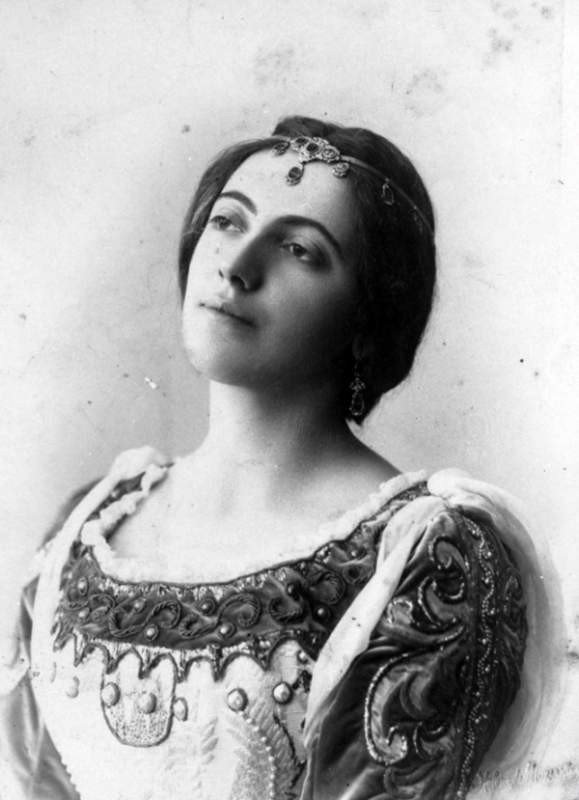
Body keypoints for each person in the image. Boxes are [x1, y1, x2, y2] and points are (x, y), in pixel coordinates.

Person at [0, 116, 555, 800]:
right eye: (227, 221)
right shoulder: (88, 524)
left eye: (299, 249)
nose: (236, 264)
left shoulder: (425, 554)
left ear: (368, 315)